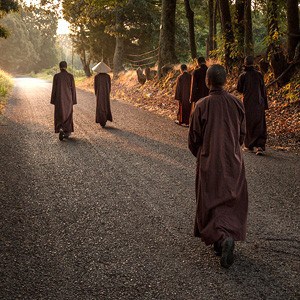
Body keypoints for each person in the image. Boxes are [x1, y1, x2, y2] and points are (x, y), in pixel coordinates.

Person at [188, 64, 248, 268]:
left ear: (207, 81)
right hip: (233, 159)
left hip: (209, 159)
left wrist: (204, 155)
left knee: (211, 198)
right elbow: (242, 135)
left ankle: (221, 239)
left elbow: (193, 138)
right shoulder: (236, 103)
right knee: (231, 198)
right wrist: (232, 151)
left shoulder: (201, 105)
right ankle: (227, 236)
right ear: (226, 81)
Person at [237, 55, 268, 155]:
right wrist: (265, 104)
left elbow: (239, 89)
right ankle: (260, 146)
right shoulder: (259, 74)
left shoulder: (243, 75)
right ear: (253, 63)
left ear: (245, 63)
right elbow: (263, 90)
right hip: (259, 102)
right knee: (260, 124)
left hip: (247, 103)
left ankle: (249, 145)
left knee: (248, 123)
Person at [51, 61, 77, 141]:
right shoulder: (70, 76)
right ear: (66, 67)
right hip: (68, 99)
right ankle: (66, 130)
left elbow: (54, 89)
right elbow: (73, 89)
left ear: (59, 67)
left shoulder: (56, 76)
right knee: (68, 114)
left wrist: (53, 100)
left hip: (59, 99)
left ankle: (60, 128)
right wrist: (74, 100)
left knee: (59, 114)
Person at [93, 61, 113, 128]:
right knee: (106, 105)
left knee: (100, 106)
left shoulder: (96, 77)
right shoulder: (108, 76)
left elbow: (95, 87)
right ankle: (105, 119)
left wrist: (96, 94)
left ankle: (101, 120)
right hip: (106, 94)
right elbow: (109, 86)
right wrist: (108, 92)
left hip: (99, 94)